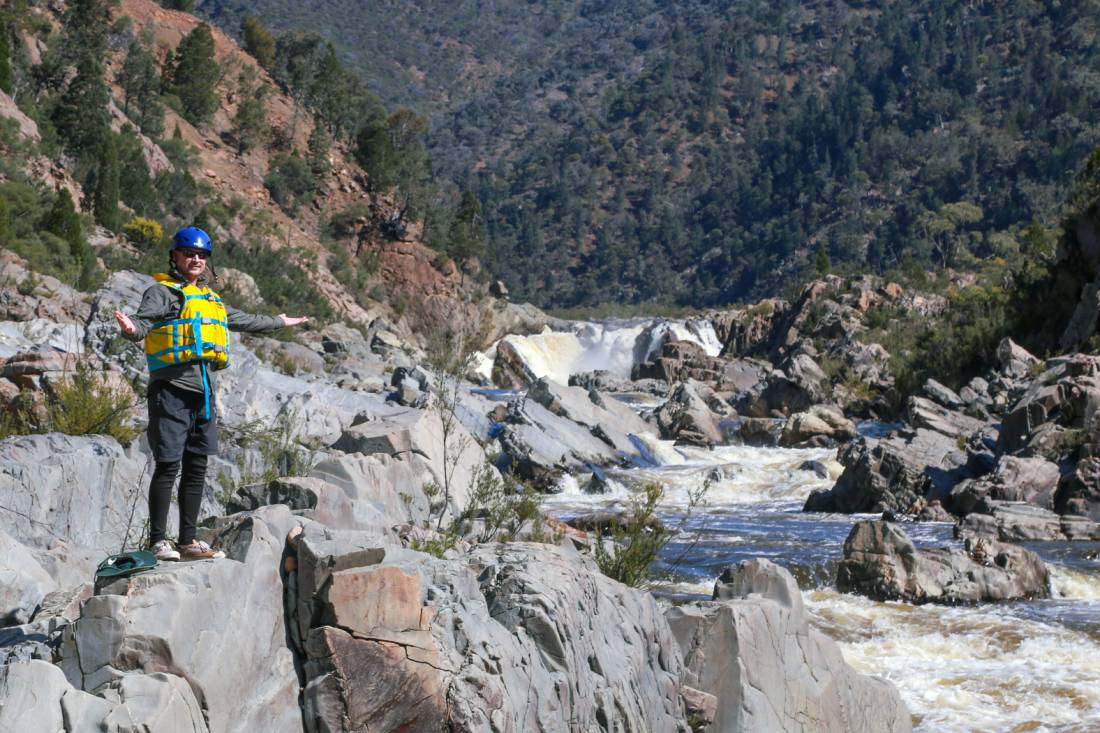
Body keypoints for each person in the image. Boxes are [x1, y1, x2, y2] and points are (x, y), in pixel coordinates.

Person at [115, 226, 309, 561]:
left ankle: (188, 541)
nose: (196, 260)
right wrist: (132, 330)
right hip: (171, 390)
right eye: (189, 253)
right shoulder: (162, 293)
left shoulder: (210, 300)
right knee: (168, 465)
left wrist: (279, 320)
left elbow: (245, 320)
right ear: (175, 256)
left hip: (203, 394)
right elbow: (143, 324)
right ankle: (158, 541)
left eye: (201, 255)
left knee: (196, 467)